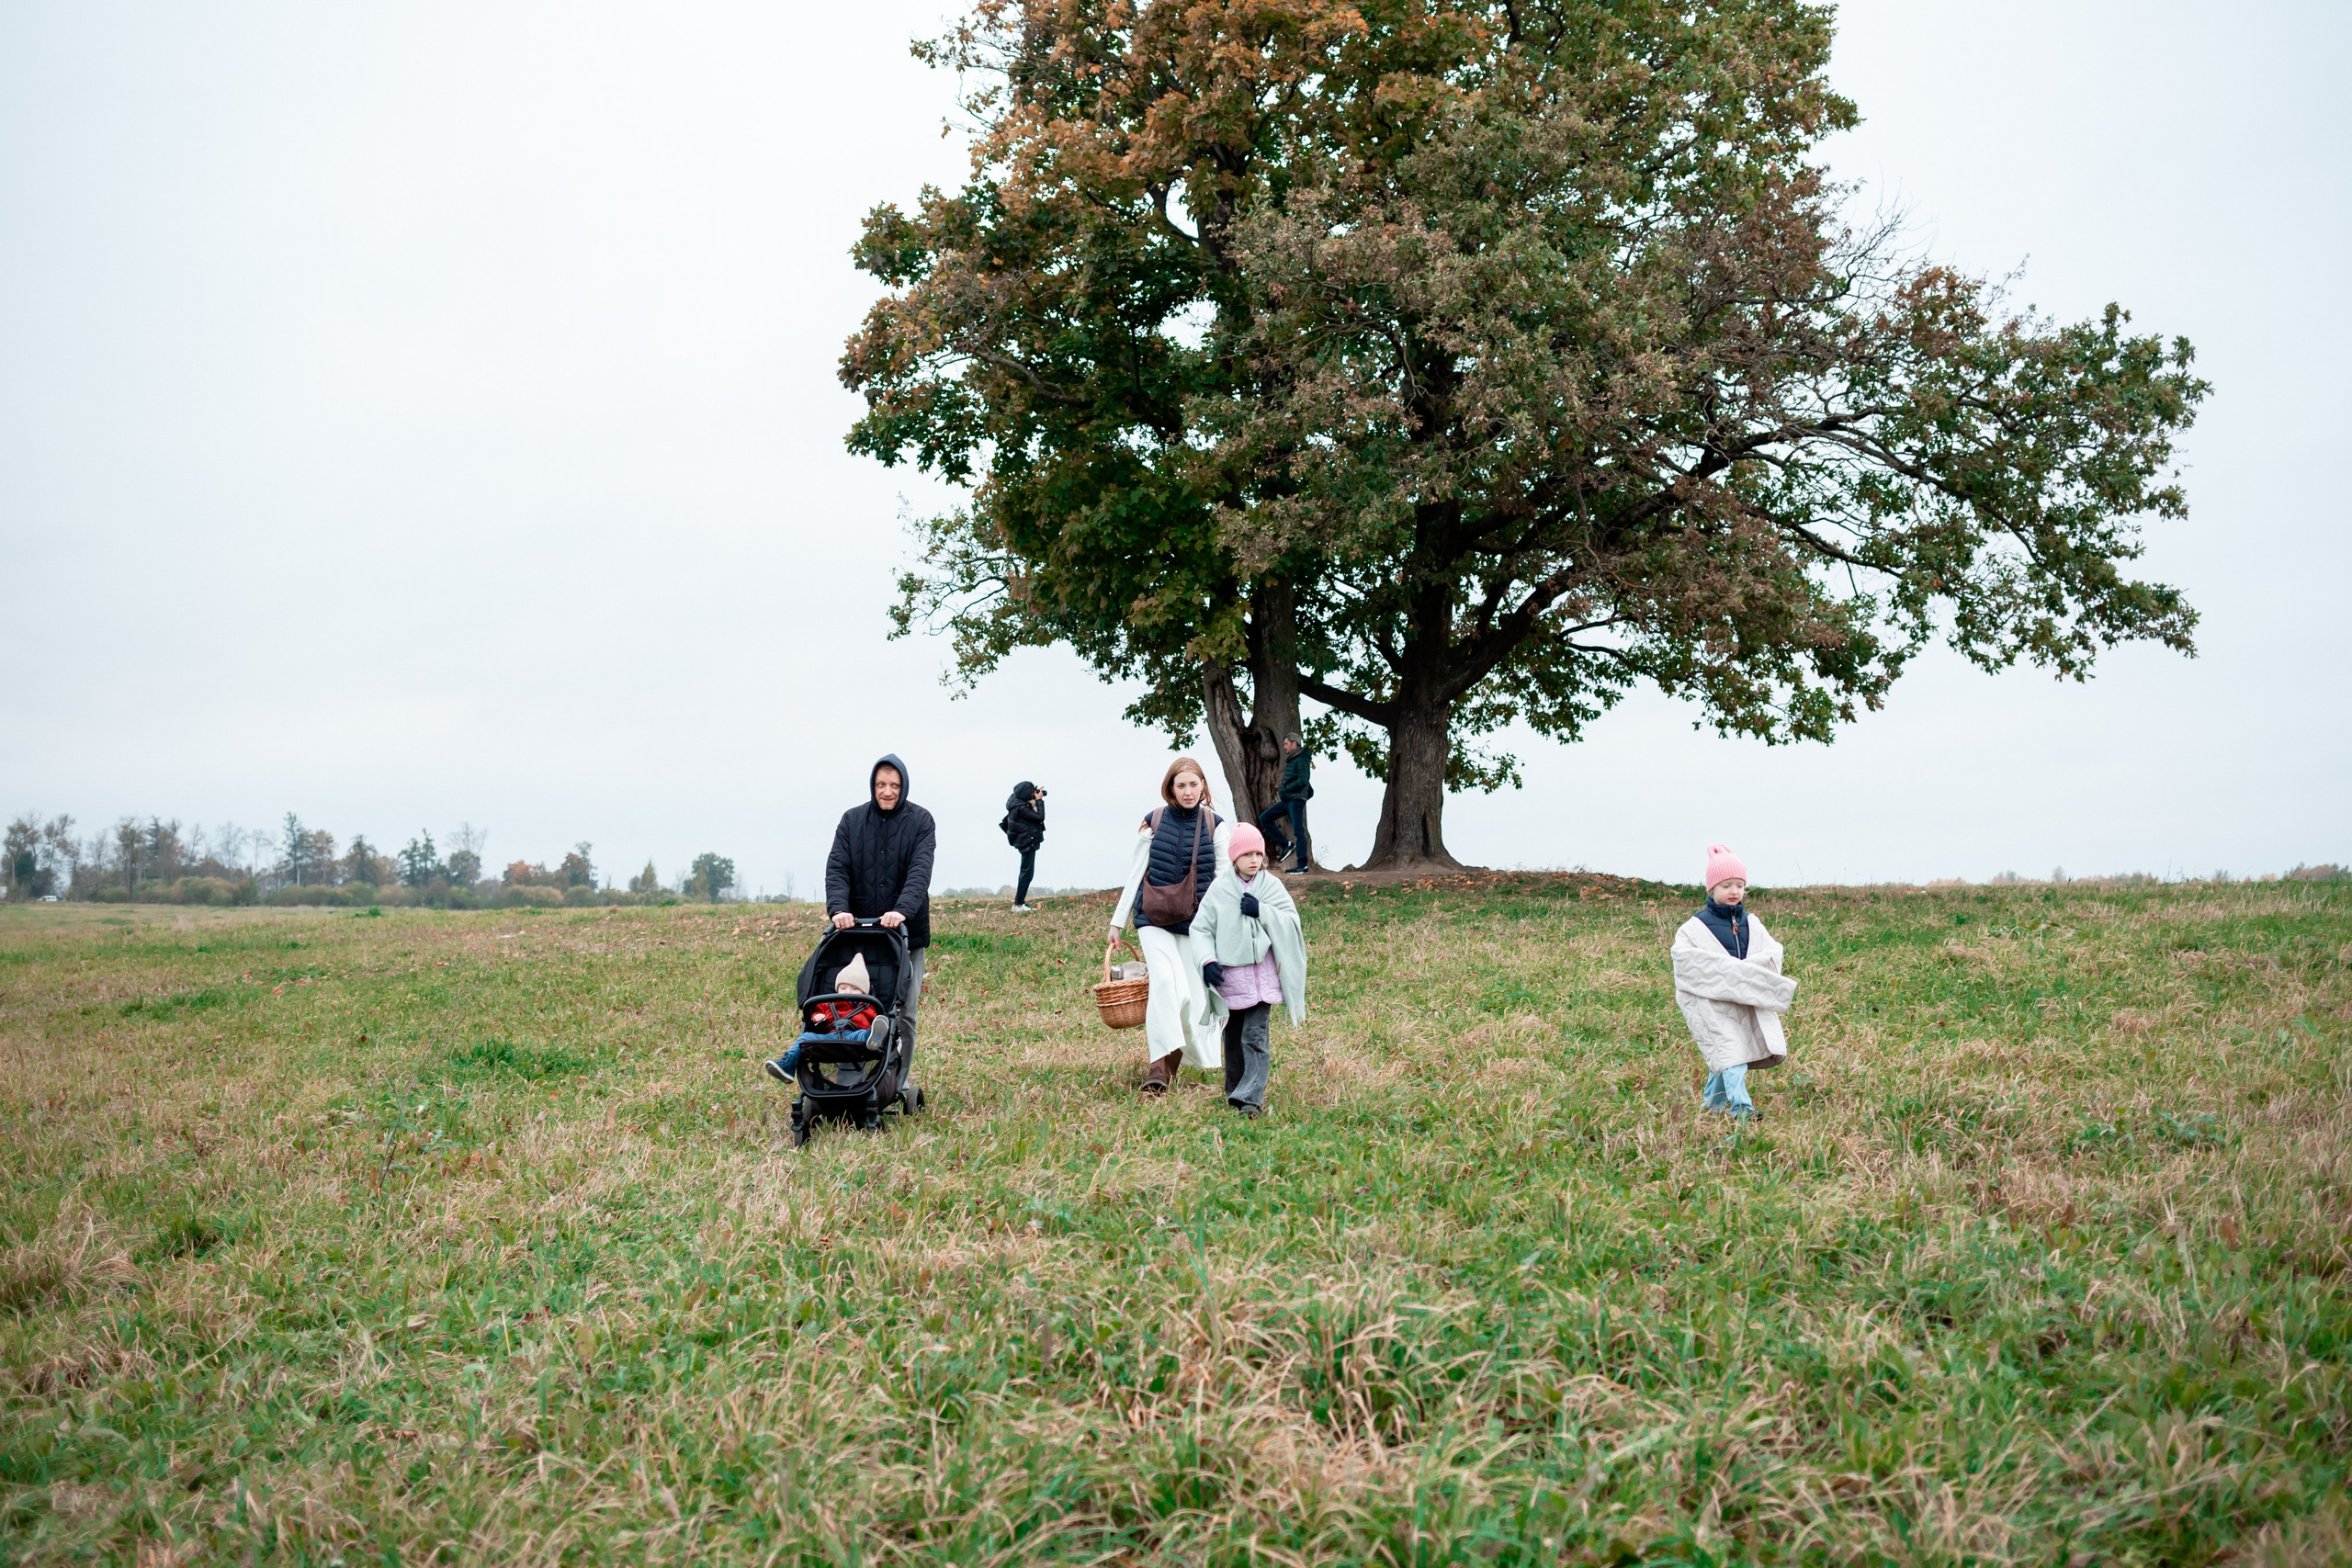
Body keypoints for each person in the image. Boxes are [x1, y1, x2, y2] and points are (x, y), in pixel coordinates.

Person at [1106, 756, 1232, 1093]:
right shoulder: (1154, 822)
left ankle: (1170, 1067)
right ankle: (1157, 1070)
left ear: (1203, 786)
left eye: (1194, 784)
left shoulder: (1216, 826)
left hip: (1195, 924)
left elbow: (1223, 881)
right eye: (1181, 785)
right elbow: (1135, 874)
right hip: (1154, 919)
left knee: (1192, 997)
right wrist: (1118, 923)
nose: (1188, 791)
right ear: (1170, 788)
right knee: (1164, 983)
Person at [825, 754, 935, 1092]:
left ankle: (894, 1082)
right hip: (857, 934)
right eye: (881, 785)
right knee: (849, 1005)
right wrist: (838, 909)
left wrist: (902, 910)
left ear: (903, 787)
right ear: (873, 785)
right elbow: (838, 868)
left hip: (904, 936)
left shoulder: (920, 821)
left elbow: (920, 871)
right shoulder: (852, 821)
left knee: (904, 1011)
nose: (887, 792)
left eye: (894, 786)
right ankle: (850, 1079)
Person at [1190, 824, 1308, 1118]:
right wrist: (1207, 961)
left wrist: (1262, 911)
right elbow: (1201, 928)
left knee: (1255, 1039)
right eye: (1247, 854)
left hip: (1262, 982)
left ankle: (1251, 1100)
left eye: (1259, 853)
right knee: (1232, 1040)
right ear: (1234, 858)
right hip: (1231, 980)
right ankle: (1235, 1090)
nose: (1254, 859)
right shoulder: (1220, 889)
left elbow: (1291, 923)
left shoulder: (1271, 887)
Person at [1669, 844, 1795, 1119]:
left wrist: (1743, 973)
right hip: (1711, 1004)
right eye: (1726, 885)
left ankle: (1711, 1107)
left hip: (1743, 1001)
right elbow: (1686, 963)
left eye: (1739, 885)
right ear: (1712, 889)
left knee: (1727, 1057)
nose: (1734, 891)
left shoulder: (1753, 923)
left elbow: (1772, 952)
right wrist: (1732, 973)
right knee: (1733, 1057)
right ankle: (1742, 1110)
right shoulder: (1694, 927)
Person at [762, 952, 876, 1083]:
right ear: (837, 989)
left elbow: (875, 1018)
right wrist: (817, 1018)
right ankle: (786, 1066)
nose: (848, 992)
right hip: (829, 1038)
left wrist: (877, 1025)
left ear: (864, 992)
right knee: (805, 1038)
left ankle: (872, 1036)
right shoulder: (828, 1003)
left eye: (854, 989)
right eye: (843, 988)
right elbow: (816, 1015)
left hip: (854, 1037)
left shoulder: (867, 1006)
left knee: (864, 1034)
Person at [1256, 734, 1314, 874]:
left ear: (1294, 744)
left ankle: (1302, 866)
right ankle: (1286, 844)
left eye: (1286, 744)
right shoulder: (1294, 759)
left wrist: (1287, 787)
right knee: (1264, 818)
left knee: (1299, 831)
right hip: (1288, 801)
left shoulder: (1301, 759)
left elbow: (1303, 780)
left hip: (1295, 800)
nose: (1284, 747)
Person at [1001, 782, 1046, 911]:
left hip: (1024, 840)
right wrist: (1039, 801)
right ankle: (1018, 904)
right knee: (1026, 873)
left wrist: (1034, 799)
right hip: (1026, 841)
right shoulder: (1021, 808)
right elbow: (1040, 817)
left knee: (1027, 872)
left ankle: (1019, 903)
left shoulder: (1016, 802)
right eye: (1032, 792)